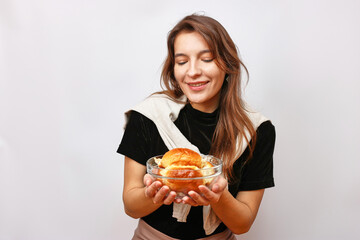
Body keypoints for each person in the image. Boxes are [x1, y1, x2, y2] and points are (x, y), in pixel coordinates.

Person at [117, 14, 275, 240]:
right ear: (173, 68)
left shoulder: (257, 130)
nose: (192, 71)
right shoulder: (148, 116)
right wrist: (155, 192)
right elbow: (131, 206)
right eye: (182, 62)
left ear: (227, 64)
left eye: (207, 59)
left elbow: (243, 224)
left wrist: (217, 196)